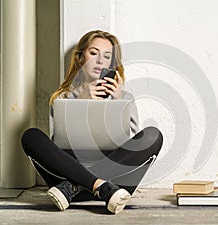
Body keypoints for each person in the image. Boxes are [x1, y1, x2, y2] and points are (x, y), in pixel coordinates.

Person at [21, 30, 163, 214]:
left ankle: (76, 187)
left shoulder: (125, 97)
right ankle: (99, 186)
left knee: (153, 135)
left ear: (112, 62)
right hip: (81, 179)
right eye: (93, 52)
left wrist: (118, 102)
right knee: (31, 135)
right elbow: (57, 144)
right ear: (81, 57)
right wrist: (82, 100)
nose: (100, 60)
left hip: (108, 183)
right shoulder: (63, 97)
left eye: (107, 56)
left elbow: (131, 144)